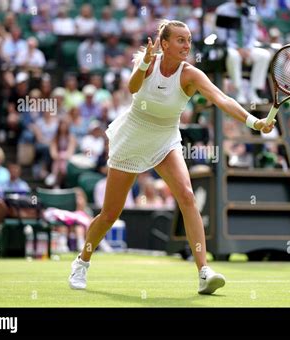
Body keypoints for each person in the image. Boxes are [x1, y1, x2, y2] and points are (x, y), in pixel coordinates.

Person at [69, 19, 275, 294]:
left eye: (188, 40)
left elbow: (221, 98)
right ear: (164, 44)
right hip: (132, 138)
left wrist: (254, 122)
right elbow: (132, 88)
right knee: (109, 214)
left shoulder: (190, 74)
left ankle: (204, 271)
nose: (186, 45)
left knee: (188, 196)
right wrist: (143, 63)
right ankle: (82, 261)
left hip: (165, 139)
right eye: (180, 40)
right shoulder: (148, 63)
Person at [215, 0, 271, 104]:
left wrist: (249, 48)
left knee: (264, 55)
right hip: (231, 48)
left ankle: (253, 92)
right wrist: (237, 48)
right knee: (233, 55)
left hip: (248, 48)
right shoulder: (223, 10)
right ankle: (239, 91)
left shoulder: (251, 10)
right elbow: (222, 36)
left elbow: (253, 33)